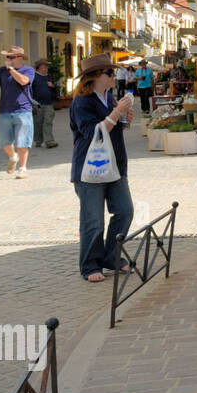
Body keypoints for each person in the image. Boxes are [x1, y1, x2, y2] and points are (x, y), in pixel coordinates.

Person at [69, 53, 134, 283]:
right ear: (96, 77)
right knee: (93, 220)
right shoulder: (81, 102)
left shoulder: (109, 97)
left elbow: (112, 127)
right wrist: (117, 113)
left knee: (125, 210)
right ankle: (89, 265)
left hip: (115, 165)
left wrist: (123, 118)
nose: (114, 76)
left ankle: (111, 257)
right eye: (110, 73)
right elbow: (92, 132)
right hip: (90, 169)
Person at [0, 46, 36, 178]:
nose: (8, 59)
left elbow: (24, 81)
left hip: (23, 111)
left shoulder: (28, 70)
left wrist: (11, 70)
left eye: (11, 57)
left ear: (20, 58)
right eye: (8, 57)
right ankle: (13, 157)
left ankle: (22, 169)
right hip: (5, 111)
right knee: (4, 140)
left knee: (23, 140)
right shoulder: (0, 71)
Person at [31, 59, 59, 149]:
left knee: (48, 122)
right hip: (37, 104)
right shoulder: (34, 77)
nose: (46, 68)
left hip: (48, 103)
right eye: (45, 66)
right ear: (39, 67)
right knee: (38, 123)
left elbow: (55, 89)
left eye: (47, 66)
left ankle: (49, 141)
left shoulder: (49, 76)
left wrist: (52, 86)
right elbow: (29, 90)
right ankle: (38, 140)